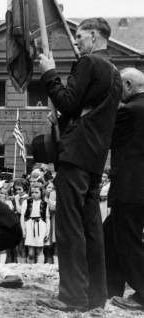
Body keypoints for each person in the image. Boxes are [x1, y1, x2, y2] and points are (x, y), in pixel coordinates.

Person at [36, 18, 122, 312]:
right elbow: (87, 112)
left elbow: (70, 102)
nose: (77, 41)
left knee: (70, 227)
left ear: (94, 36)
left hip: (75, 155)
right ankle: (95, 295)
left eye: (80, 35)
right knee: (91, 228)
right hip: (96, 158)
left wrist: (48, 74)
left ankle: (71, 295)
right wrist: (62, 119)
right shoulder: (114, 71)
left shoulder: (88, 64)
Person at [104, 67, 144, 311]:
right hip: (137, 188)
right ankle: (111, 289)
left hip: (131, 188)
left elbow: (105, 137)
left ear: (128, 85)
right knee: (110, 235)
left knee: (127, 239)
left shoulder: (130, 110)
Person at [20, 184, 50, 264]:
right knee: (31, 252)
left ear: (41, 192)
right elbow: (22, 217)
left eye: (36, 192)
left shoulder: (45, 204)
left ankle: (40, 269)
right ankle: (30, 268)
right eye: (32, 192)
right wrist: (23, 229)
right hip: (29, 225)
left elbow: (47, 218)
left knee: (40, 250)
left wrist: (47, 231)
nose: (34, 194)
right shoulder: (26, 202)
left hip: (41, 225)